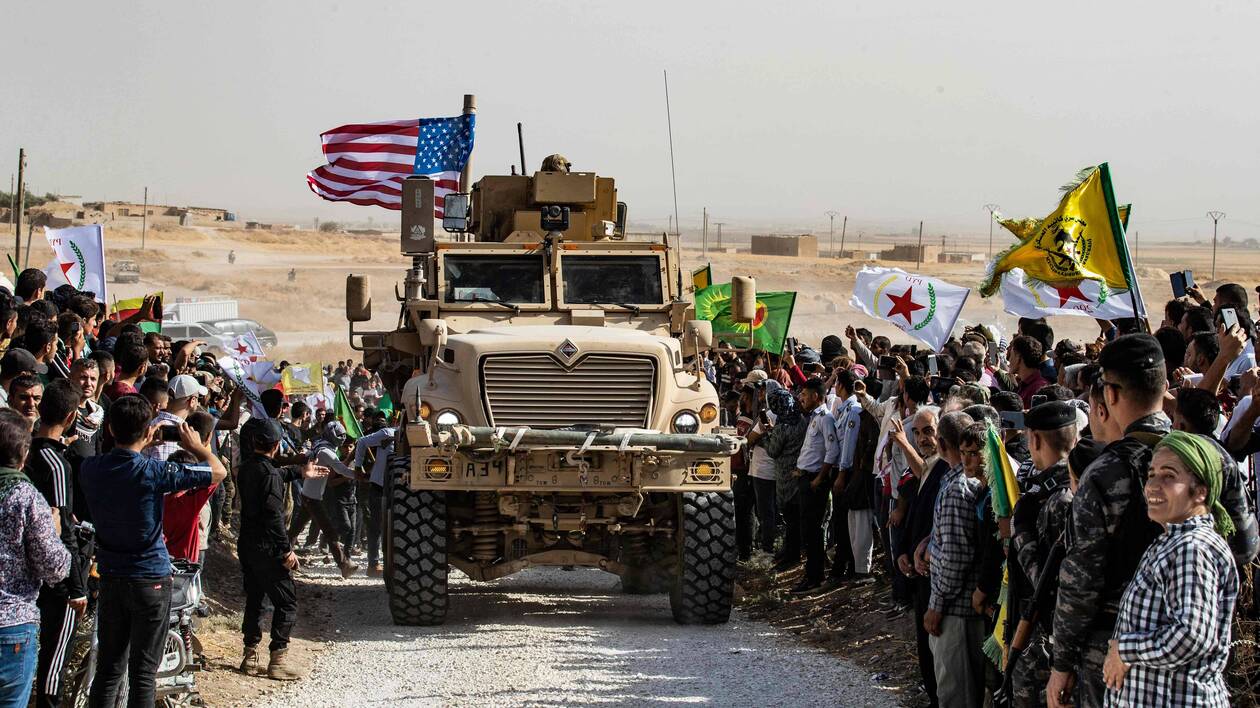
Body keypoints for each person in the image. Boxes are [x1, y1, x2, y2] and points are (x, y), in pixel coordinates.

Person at [79, 396, 227, 707]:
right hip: (150, 578)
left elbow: (117, 462)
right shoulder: (154, 471)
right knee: (143, 673)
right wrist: (198, 447)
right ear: (148, 432)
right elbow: (217, 472)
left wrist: (139, 443)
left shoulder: (90, 469)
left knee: (109, 669)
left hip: (111, 576)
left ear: (108, 428)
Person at [1102, 431, 1239, 706]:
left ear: (1201, 492)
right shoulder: (1173, 541)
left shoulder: (1192, 548)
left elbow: (1192, 636)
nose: (1153, 485)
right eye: (1151, 474)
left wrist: (1125, 650)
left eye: (1169, 476)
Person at [236, 419, 328, 680]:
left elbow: (274, 474)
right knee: (286, 602)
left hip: (248, 546)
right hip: (268, 548)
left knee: (255, 600)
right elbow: (274, 516)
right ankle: (278, 660)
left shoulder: (247, 468)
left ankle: (249, 655)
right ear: (276, 446)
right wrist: (287, 550)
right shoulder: (268, 475)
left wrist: (300, 472)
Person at [1007, 402, 1079, 708]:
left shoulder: (1057, 500)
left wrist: (1020, 532)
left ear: (1034, 440)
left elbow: (1048, 582)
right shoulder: (1073, 487)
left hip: (1046, 638)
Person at [24, 380, 89, 708]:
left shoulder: (22, 453)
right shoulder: (57, 464)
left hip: (24, 571)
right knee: (55, 657)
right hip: (57, 579)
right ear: (72, 415)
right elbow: (63, 530)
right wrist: (76, 587)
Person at [0, 409, 70, 708]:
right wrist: (55, 531)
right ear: (24, 454)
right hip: (12, 624)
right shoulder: (26, 497)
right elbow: (54, 568)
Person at [925, 419, 986, 708]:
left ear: (940, 443)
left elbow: (955, 558)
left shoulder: (957, 489)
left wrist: (936, 605)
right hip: (956, 605)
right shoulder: (953, 481)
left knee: (956, 695)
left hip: (955, 610)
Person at [791, 378, 839, 594]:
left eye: (806, 395)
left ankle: (814, 577)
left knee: (813, 530)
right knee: (807, 530)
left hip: (814, 482)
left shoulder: (825, 418)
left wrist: (819, 479)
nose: (801, 398)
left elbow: (832, 451)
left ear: (817, 397)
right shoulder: (814, 417)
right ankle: (810, 574)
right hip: (806, 477)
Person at [764, 387, 808, 572]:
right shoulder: (801, 420)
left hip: (785, 476)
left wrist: (766, 437)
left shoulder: (783, 427)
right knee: (795, 519)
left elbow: (773, 451)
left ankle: (791, 556)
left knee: (791, 520)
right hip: (799, 474)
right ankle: (791, 552)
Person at [353, 413, 396, 576]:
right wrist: (357, 467)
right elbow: (362, 442)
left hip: (399, 488)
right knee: (376, 527)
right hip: (379, 486)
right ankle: (373, 564)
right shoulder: (388, 434)